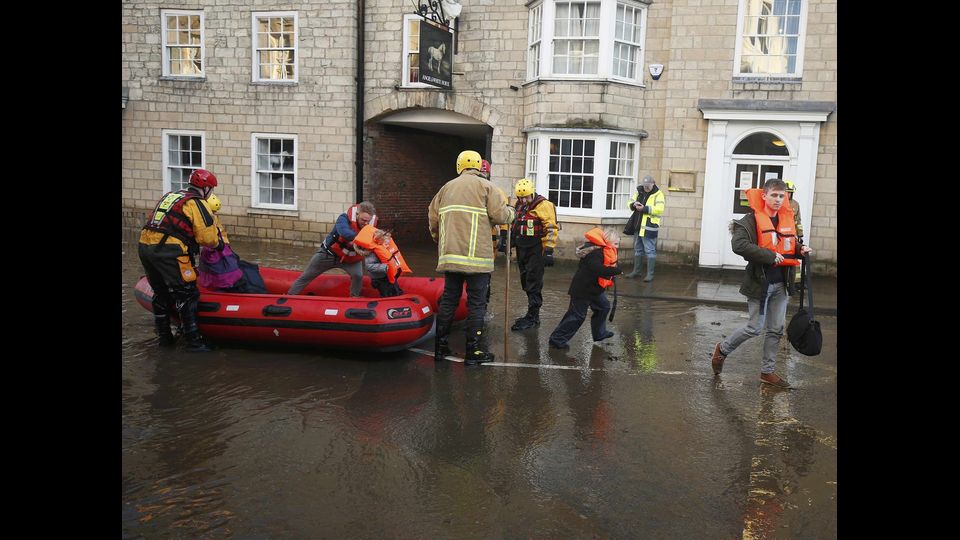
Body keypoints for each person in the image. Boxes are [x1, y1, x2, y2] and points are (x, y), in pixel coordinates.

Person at [710, 178, 812, 389]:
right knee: (754, 328)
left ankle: (767, 372)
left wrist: (799, 250)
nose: (777, 199)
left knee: (775, 330)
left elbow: (788, 245)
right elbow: (738, 245)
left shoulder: (786, 218)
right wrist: (768, 255)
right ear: (764, 196)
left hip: (782, 284)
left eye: (781, 196)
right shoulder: (750, 220)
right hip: (760, 284)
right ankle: (722, 350)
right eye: (773, 195)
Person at [428, 150, 515, 365]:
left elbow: (432, 218)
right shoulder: (487, 187)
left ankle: (440, 348)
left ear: (459, 166)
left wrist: (439, 239)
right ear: (478, 166)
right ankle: (473, 352)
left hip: (451, 258)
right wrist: (512, 212)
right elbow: (500, 215)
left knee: (449, 300)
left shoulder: (445, 188)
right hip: (478, 259)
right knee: (477, 304)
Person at [138, 168, 221, 352]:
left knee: (161, 293)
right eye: (211, 189)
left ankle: (164, 338)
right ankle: (194, 341)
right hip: (169, 251)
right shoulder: (196, 203)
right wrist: (219, 246)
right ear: (206, 188)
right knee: (187, 293)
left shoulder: (172, 196)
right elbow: (207, 238)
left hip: (145, 246)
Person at [548, 227, 622, 349]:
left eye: (618, 244)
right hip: (582, 290)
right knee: (577, 316)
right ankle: (557, 339)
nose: (617, 246)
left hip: (595, 289)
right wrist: (616, 271)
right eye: (615, 243)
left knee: (603, 307)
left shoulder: (605, 251)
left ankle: (599, 333)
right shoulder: (596, 253)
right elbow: (597, 269)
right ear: (607, 241)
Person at [287, 201, 377, 297]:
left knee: (358, 276)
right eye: (363, 220)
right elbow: (345, 233)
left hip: (351, 259)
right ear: (357, 214)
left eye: (368, 221)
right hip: (328, 254)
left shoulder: (372, 224)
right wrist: (362, 238)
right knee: (307, 276)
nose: (366, 223)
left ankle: (354, 298)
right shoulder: (343, 218)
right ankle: (289, 296)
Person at [508, 178, 559, 331]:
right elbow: (515, 225)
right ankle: (531, 313)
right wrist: (509, 242)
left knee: (533, 281)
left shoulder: (544, 206)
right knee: (525, 280)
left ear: (532, 193)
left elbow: (551, 228)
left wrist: (549, 250)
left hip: (536, 249)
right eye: (520, 197)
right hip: (522, 248)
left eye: (526, 197)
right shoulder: (519, 206)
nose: (523, 200)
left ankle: (533, 316)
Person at [196, 194, 267, 294]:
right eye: (213, 211)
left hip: (219, 250)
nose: (214, 213)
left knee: (226, 269)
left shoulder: (210, 219)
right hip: (216, 251)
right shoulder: (207, 219)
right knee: (222, 270)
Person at [624, 175, 665, 282]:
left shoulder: (658, 194)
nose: (646, 188)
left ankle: (650, 274)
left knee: (650, 250)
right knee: (638, 249)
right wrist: (634, 204)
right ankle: (636, 271)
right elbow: (629, 202)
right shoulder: (639, 191)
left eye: (648, 186)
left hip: (649, 227)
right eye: (645, 185)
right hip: (638, 225)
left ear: (653, 183)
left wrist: (645, 208)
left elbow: (660, 209)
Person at [352, 225, 412, 298]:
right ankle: (387, 303)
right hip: (380, 278)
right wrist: (384, 267)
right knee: (386, 293)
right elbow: (369, 266)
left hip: (387, 276)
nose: (387, 245)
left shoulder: (383, 247)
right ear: (379, 241)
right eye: (385, 243)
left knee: (395, 289)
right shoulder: (371, 253)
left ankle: (398, 296)